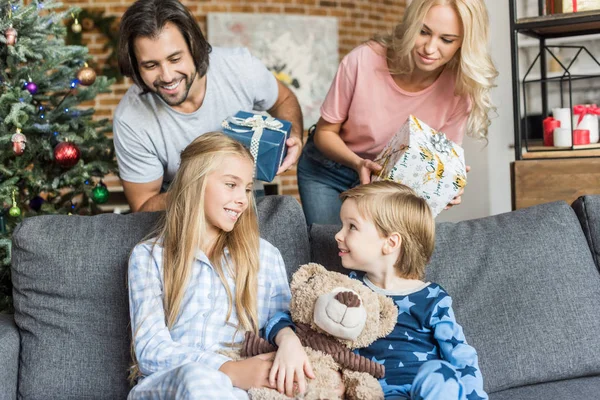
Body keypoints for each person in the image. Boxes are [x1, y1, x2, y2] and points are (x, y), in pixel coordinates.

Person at [127, 132, 314, 399]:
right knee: (198, 378)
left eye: (248, 189)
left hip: (236, 390)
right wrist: (229, 369)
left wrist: (289, 341)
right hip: (166, 383)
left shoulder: (265, 255)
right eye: (231, 184)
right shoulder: (148, 257)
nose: (242, 199)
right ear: (195, 183)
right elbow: (150, 349)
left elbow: (278, 319)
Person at [297, 0, 498, 225]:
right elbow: (325, 133)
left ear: (464, 43)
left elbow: (435, 162)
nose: (430, 48)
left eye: (446, 39)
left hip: (386, 183)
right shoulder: (363, 60)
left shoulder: (460, 92)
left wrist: (444, 185)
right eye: (423, 32)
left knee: (377, 255)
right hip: (328, 170)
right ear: (411, 25)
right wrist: (358, 163)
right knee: (330, 248)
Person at [114, 0, 304, 213]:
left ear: (194, 47)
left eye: (175, 59)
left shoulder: (240, 67)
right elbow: (144, 205)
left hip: (246, 193)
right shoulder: (130, 117)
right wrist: (202, 190)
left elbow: (283, 100)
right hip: (180, 206)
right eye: (151, 65)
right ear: (135, 66)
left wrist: (294, 135)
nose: (167, 76)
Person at [334, 180, 487, 400]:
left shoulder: (432, 298)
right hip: (375, 393)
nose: (338, 235)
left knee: (439, 374)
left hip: (427, 392)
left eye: (352, 226)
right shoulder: (348, 291)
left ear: (390, 243)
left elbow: (461, 356)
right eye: (342, 225)